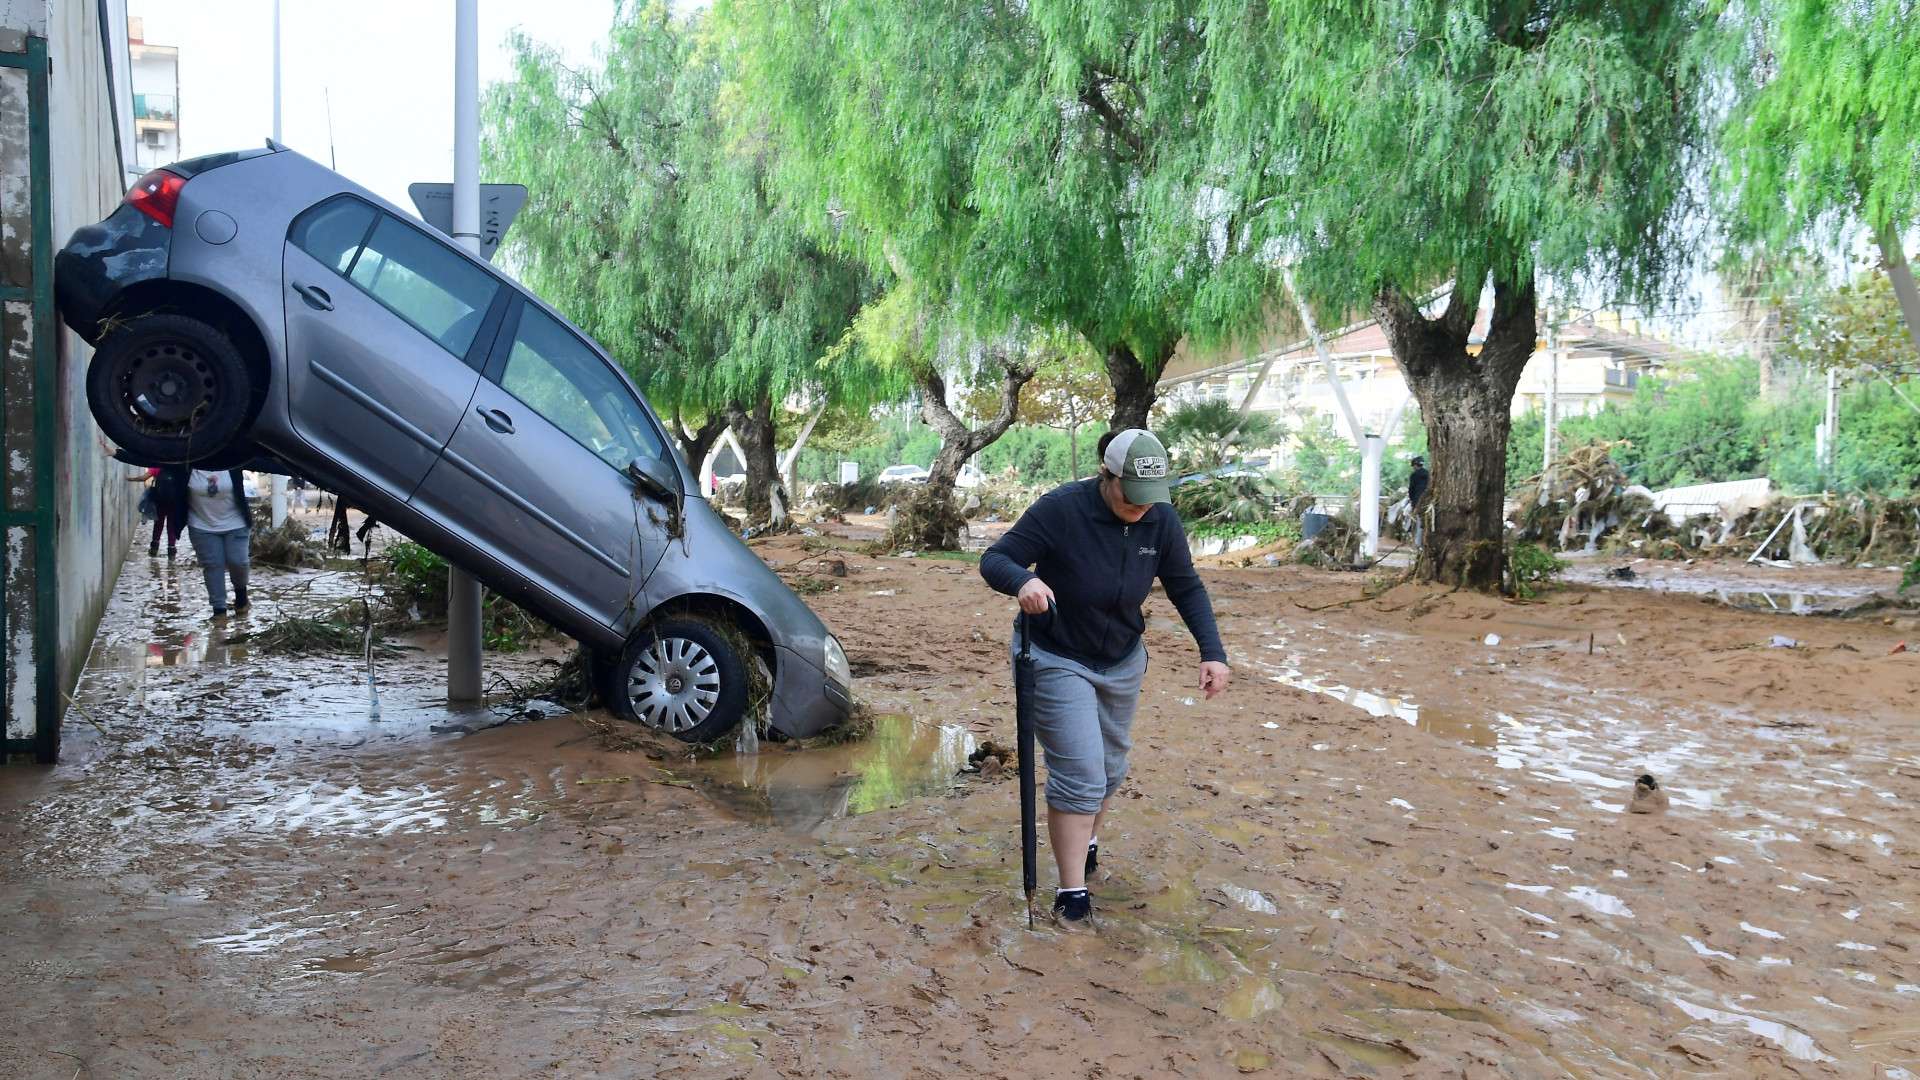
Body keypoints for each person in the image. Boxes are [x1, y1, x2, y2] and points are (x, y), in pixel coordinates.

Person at [980, 428, 1231, 927]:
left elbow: (1185, 585)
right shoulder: (1062, 508)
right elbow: (995, 558)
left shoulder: (1160, 518)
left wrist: (1213, 653)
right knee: (1081, 774)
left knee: (1111, 769)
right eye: (1131, 495)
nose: (1141, 507)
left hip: (1121, 658)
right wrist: (1024, 579)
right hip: (1055, 655)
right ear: (1107, 476)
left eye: (1149, 497)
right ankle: (1071, 893)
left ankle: (1087, 838)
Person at [185, 466, 253, 616]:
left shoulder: (233, 462)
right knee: (213, 565)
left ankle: (241, 597)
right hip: (201, 524)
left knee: (238, 562)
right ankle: (219, 611)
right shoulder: (187, 464)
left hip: (236, 523)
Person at [132, 464, 190, 557]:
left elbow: (144, 478)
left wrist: (130, 479)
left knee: (158, 524)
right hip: (174, 502)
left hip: (160, 501)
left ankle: (154, 548)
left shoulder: (158, 465)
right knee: (171, 525)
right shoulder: (179, 466)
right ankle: (171, 551)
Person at [1407, 455, 1430, 547]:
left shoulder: (1414, 475)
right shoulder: (1428, 474)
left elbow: (1411, 489)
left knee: (1419, 522)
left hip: (1417, 501)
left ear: (1415, 465)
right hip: (1428, 500)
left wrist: (1412, 501)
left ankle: (1418, 543)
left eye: (1413, 466)